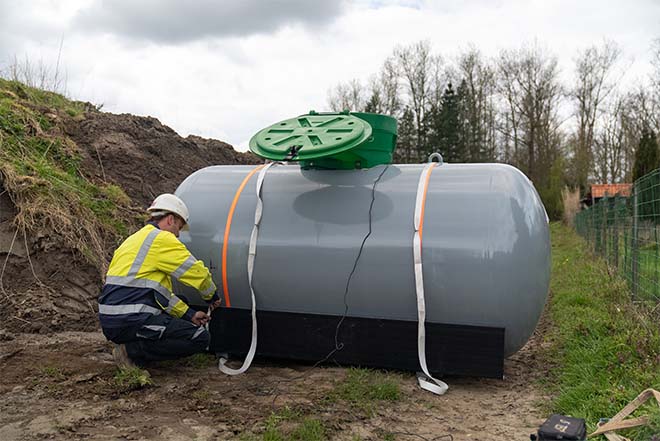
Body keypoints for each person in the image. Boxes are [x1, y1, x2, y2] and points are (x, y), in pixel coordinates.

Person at [98, 193, 220, 368]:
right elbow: (197, 273)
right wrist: (212, 296)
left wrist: (190, 314)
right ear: (170, 219)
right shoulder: (162, 239)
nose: (178, 234)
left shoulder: (135, 239)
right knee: (199, 338)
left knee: (183, 302)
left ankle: (132, 343)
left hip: (113, 319)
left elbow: (159, 294)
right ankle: (131, 352)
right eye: (178, 227)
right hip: (130, 319)